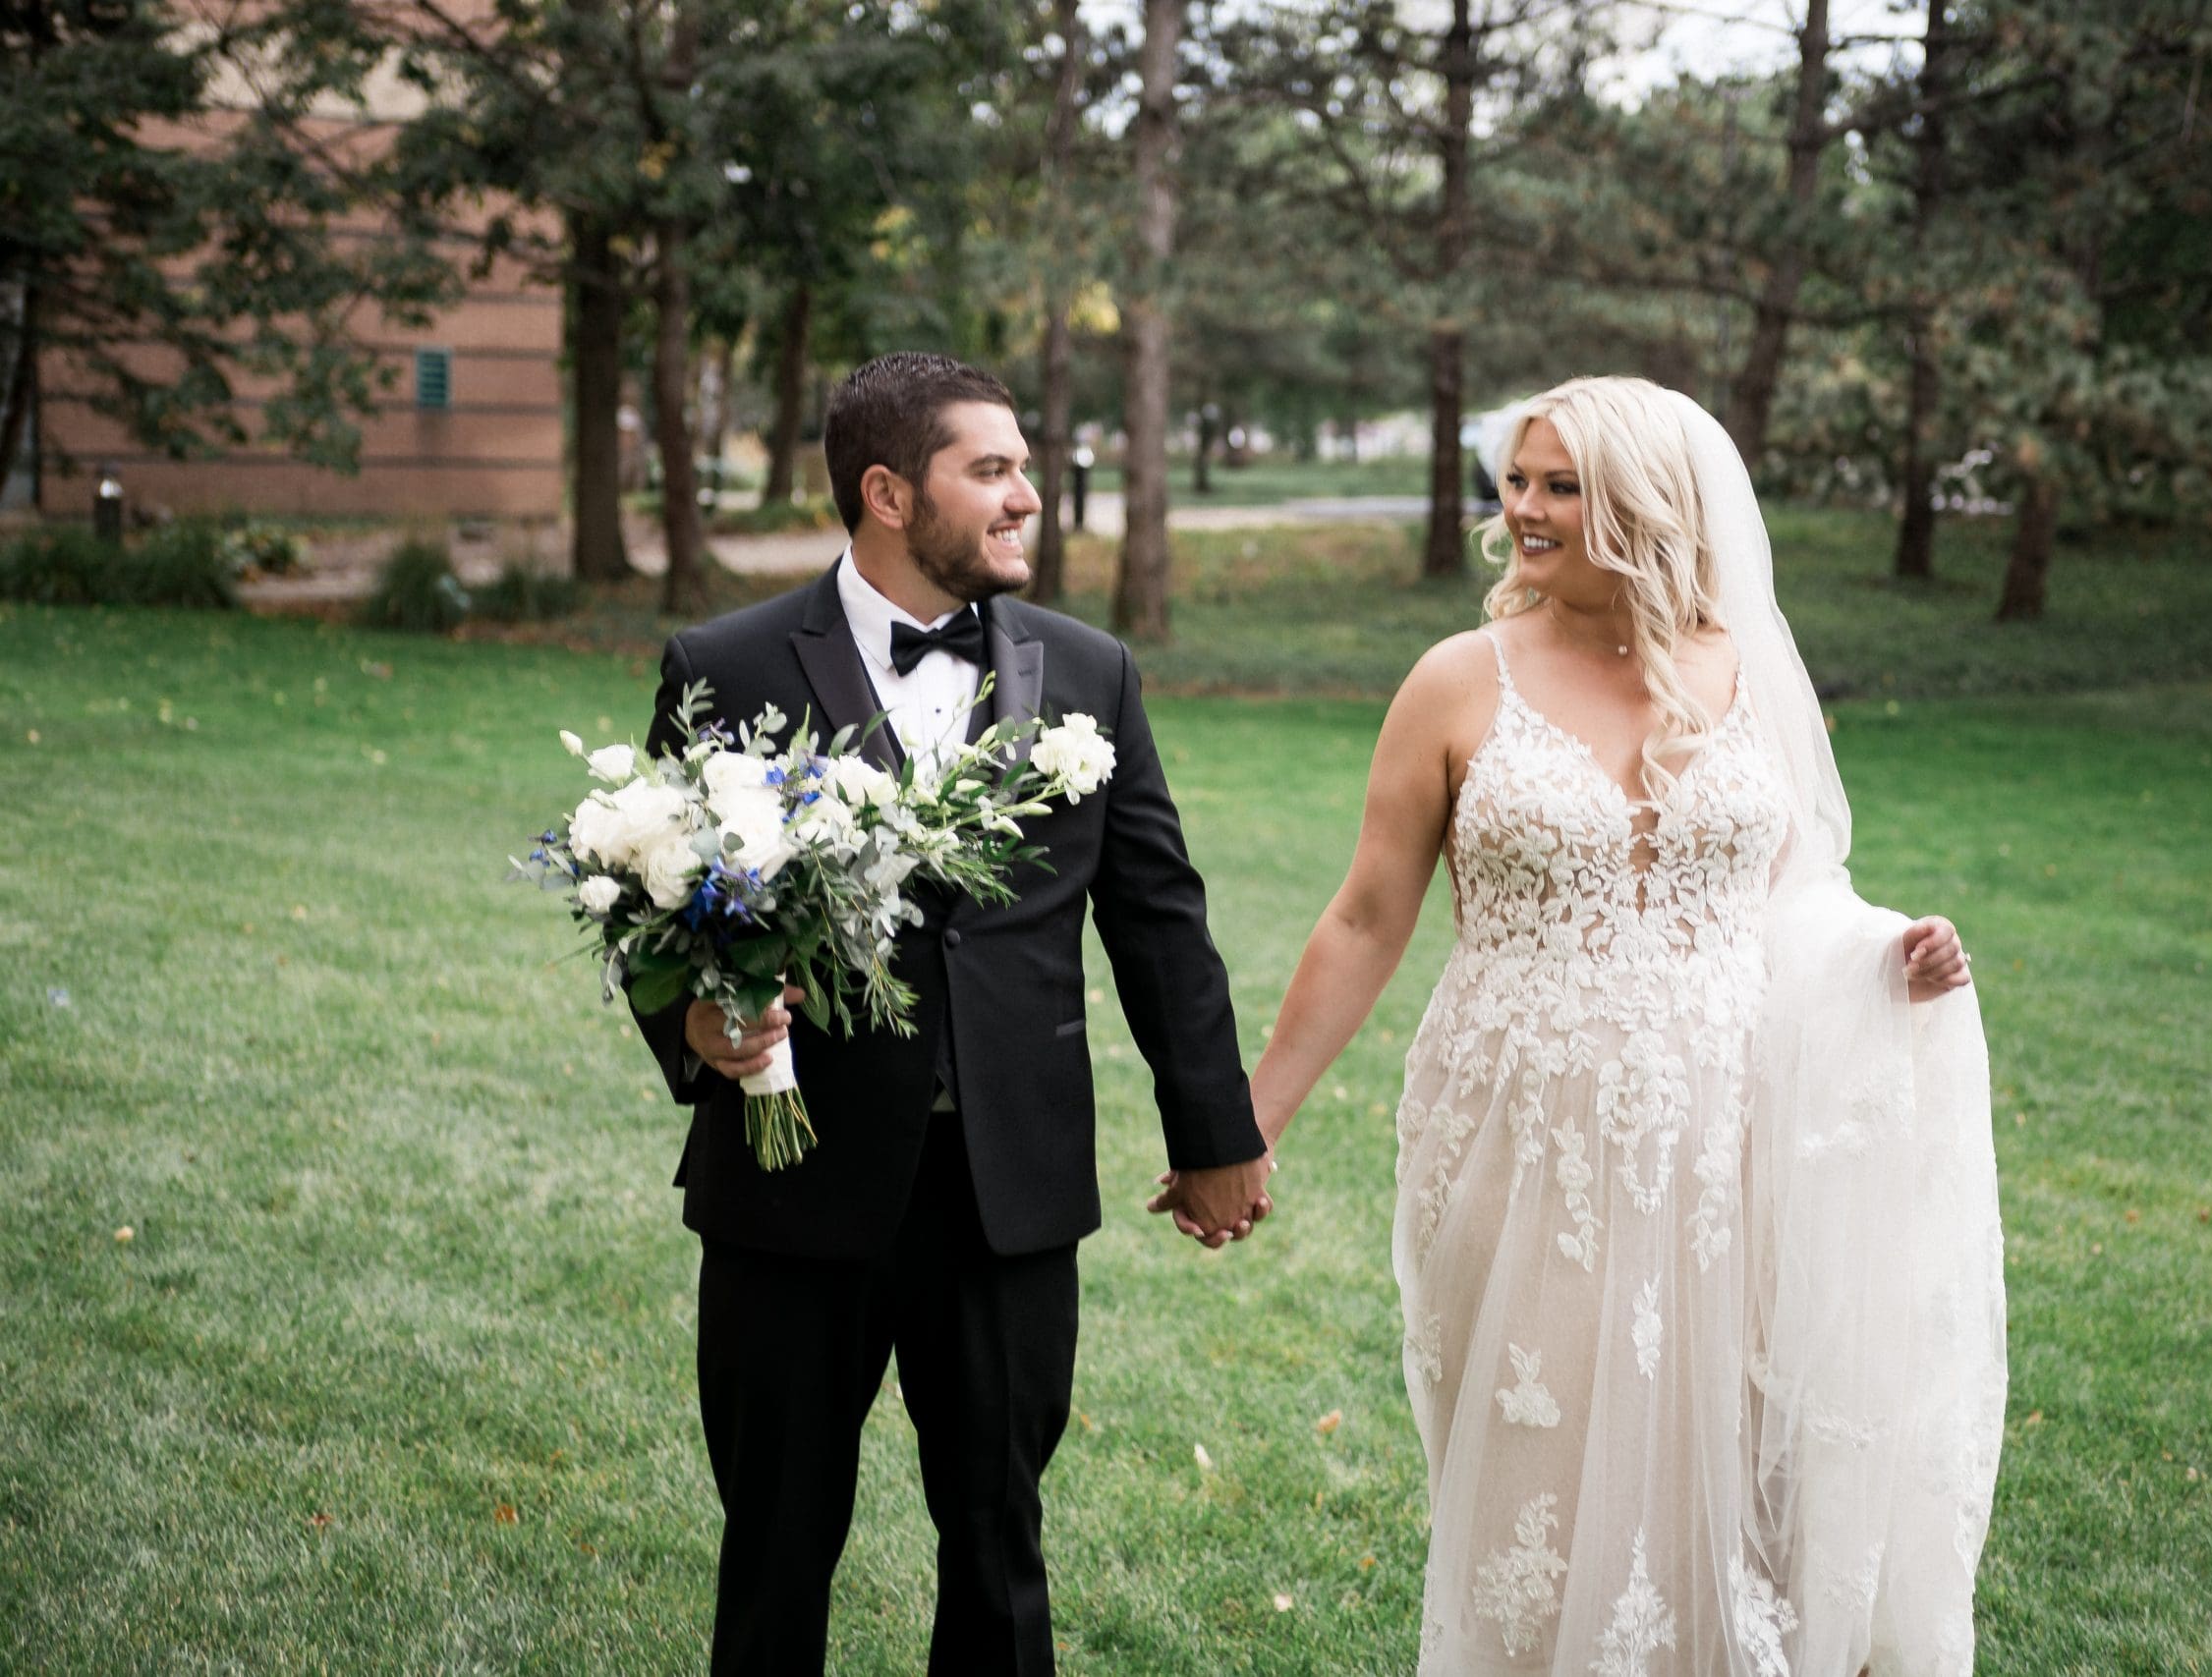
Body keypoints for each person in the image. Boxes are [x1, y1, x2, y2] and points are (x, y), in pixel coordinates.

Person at [1229, 376, 2007, 1674]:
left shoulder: (1747, 674)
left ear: (1646, 502)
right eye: (1518, 482)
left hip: (1726, 1135)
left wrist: (1890, 958)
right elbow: (1366, 917)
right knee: (1539, 1471)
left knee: (1729, 1470)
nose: (1524, 510)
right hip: (1517, 1129)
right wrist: (1247, 1123)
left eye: (1562, 486)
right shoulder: (1456, 682)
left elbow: (1792, 897)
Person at [627, 352, 1275, 1674]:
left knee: (999, 1541)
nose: (1028, 495)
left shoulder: (1090, 672)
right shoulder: (728, 666)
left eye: (1024, 468)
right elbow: (657, 898)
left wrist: (1215, 1133)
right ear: (887, 493)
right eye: (991, 470)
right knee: (775, 1544)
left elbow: (1159, 921)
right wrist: (694, 1030)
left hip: (1008, 1191)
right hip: (792, 1182)